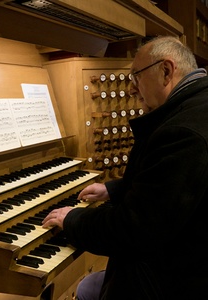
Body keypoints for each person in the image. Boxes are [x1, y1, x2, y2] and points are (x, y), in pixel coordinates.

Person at [42, 35, 208, 300]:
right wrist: (112, 189)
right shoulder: (198, 105)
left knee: (86, 289)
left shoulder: (182, 132)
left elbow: (134, 228)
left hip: (178, 279)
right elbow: (173, 184)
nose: (131, 89)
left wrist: (74, 219)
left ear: (166, 71)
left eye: (136, 77)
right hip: (186, 259)